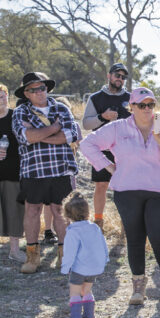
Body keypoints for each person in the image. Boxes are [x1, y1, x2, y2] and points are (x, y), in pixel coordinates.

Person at [79, 87, 160, 305]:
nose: (147, 109)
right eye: (142, 105)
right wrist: (107, 166)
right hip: (127, 191)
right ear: (131, 107)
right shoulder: (118, 128)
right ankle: (138, 287)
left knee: (159, 237)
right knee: (135, 238)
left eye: (151, 105)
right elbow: (87, 144)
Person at [11, 72, 79, 274]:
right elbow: (25, 137)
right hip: (34, 169)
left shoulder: (62, 108)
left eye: (42, 88)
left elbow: (69, 135)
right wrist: (55, 128)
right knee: (32, 210)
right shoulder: (20, 112)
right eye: (34, 89)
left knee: (61, 211)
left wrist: (40, 134)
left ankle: (64, 256)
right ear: (26, 93)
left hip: (61, 168)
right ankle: (32, 256)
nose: (40, 92)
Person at [82, 63, 131, 229]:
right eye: (117, 75)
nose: (120, 79)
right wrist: (103, 116)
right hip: (101, 150)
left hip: (126, 150)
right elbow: (86, 124)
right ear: (109, 76)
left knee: (126, 187)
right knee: (101, 185)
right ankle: (98, 221)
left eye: (123, 77)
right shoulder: (96, 98)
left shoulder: (131, 98)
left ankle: (126, 222)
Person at [60, 193, 108, 318]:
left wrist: (65, 268)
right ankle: (89, 315)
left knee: (75, 292)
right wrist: (105, 259)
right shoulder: (94, 227)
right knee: (87, 290)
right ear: (88, 212)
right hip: (94, 268)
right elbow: (103, 245)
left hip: (79, 269)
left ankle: (75, 317)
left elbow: (69, 253)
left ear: (67, 215)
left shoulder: (72, 232)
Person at [0, 83, 26, 262]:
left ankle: (14, 251)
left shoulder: (15, 116)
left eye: (2, 96)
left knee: (15, 212)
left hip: (14, 172)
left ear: (7, 97)